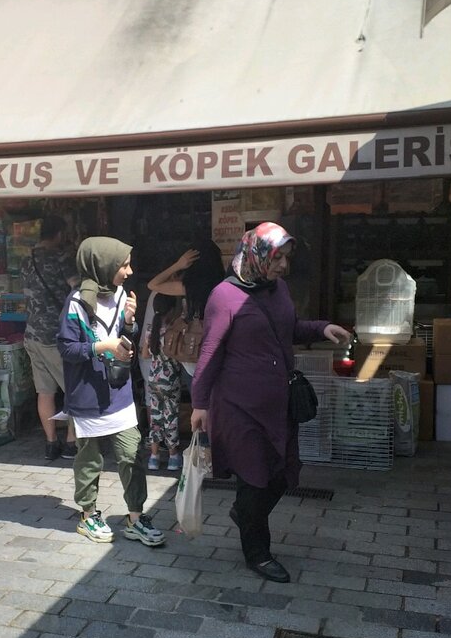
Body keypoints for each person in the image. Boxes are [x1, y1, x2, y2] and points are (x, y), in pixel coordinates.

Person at [190, 223, 350, 582]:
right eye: (277, 258)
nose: (283, 266)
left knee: (283, 473)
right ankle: (258, 553)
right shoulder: (224, 296)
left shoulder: (278, 290)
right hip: (239, 407)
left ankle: (245, 513)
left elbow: (288, 329)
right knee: (255, 479)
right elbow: (210, 351)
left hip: (278, 404)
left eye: (286, 258)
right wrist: (199, 403)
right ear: (257, 255)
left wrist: (321, 329)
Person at [57, 236, 165, 547]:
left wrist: (129, 322)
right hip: (87, 394)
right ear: (103, 265)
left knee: (131, 455)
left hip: (119, 391)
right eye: (123, 265)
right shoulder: (76, 303)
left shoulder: (120, 295)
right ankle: (88, 514)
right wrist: (101, 346)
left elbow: (124, 338)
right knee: (89, 459)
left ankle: (135, 518)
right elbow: (66, 348)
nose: (129, 271)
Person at [143, 241, 225, 471]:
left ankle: (206, 459)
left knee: (200, 409)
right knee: (219, 409)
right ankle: (222, 455)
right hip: (219, 356)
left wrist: (178, 265)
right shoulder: (223, 286)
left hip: (192, 357)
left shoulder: (189, 287)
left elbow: (153, 284)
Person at [21, 214, 78, 461]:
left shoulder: (26, 260)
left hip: (32, 334)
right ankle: (72, 443)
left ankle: (51, 443)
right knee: (74, 390)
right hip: (57, 335)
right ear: (60, 234)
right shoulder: (60, 258)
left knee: (45, 392)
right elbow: (77, 287)